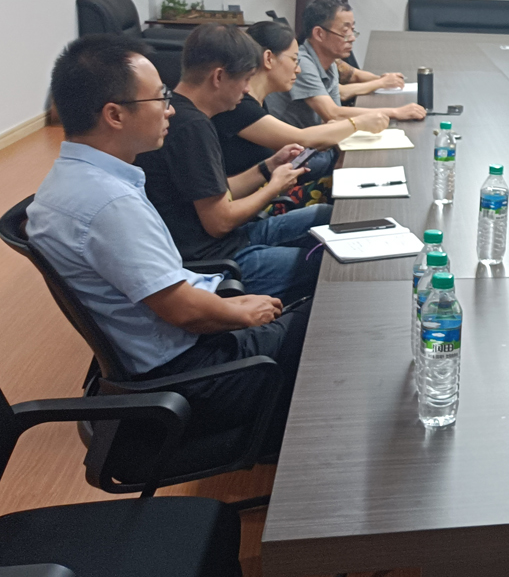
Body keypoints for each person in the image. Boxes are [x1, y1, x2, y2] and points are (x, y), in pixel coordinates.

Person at [27, 34, 309, 452]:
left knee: (311, 304)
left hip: (165, 356)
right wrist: (238, 312)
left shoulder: (68, 180)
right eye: (160, 98)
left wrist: (229, 303)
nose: (170, 109)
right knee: (323, 322)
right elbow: (185, 312)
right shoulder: (108, 203)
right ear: (114, 115)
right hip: (190, 375)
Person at [135, 24, 331, 299]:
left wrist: (268, 167)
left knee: (326, 216)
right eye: (246, 79)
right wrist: (274, 187)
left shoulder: (185, 114)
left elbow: (218, 192)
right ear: (218, 77)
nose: (247, 89)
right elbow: (220, 222)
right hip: (217, 261)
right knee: (328, 265)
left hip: (232, 240)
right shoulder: (192, 127)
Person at [213, 20, 388, 178]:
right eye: (294, 60)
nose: (298, 69)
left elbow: (289, 154)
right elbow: (301, 138)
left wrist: (329, 135)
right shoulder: (240, 106)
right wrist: (358, 123)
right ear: (268, 58)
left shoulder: (257, 101)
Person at [266, 0, 426, 128]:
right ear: (319, 34)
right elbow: (332, 113)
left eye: (352, 30)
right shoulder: (301, 63)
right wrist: (395, 112)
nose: (352, 38)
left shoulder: (330, 63)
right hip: (292, 149)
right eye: (345, 31)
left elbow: (335, 116)